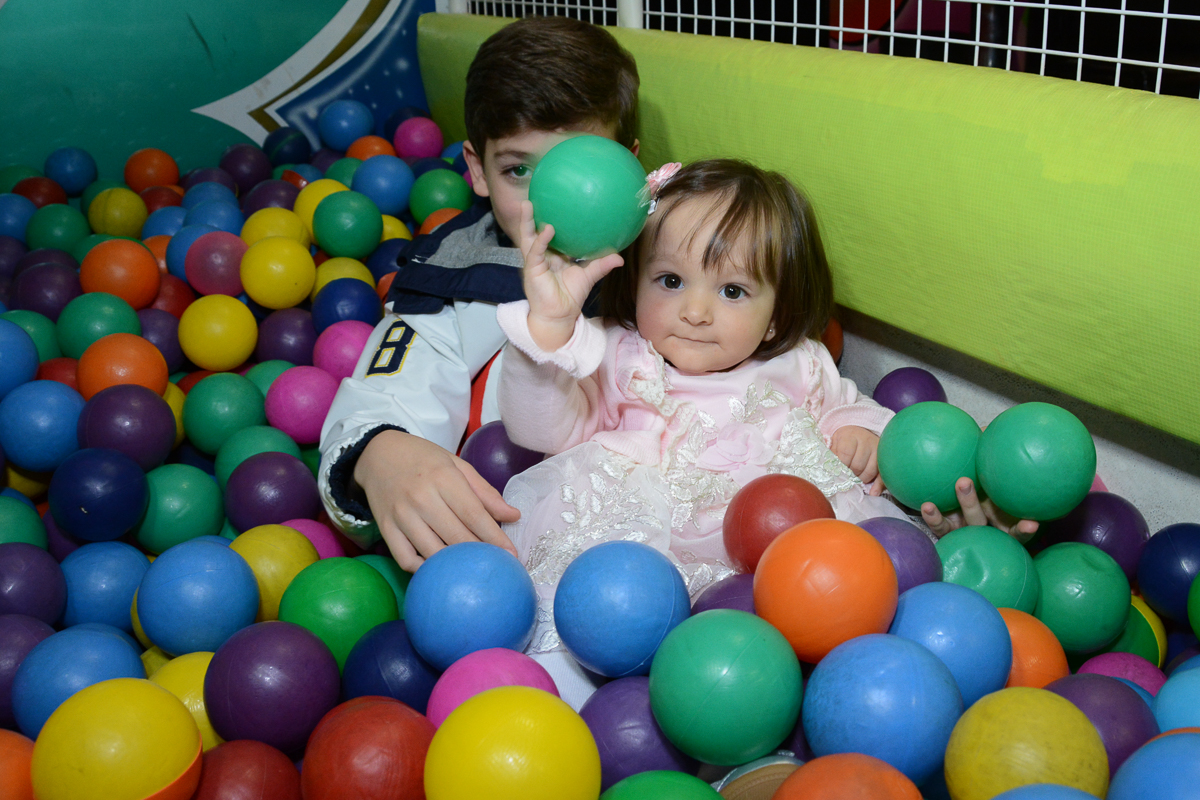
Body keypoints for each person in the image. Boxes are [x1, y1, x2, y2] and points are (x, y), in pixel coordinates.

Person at [495, 159, 914, 660]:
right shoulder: (619, 355)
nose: (695, 312)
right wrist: (546, 333)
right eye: (670, 281)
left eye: (732, 291)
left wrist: (860, 432)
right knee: (584, 629)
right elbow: (542, 429)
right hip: (638, 558)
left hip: (785, 558)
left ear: (776, 318)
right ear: (636, 279)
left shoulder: (797, 364)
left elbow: (846, 407)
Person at [317, 16, 640, 572]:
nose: (551, 207)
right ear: (478, 170)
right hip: (495, 561)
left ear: (630, 166)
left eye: (580, 170)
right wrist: (379, 453)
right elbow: (384, 395)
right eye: (519, 170)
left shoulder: (674, 271)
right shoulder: (455, 278)